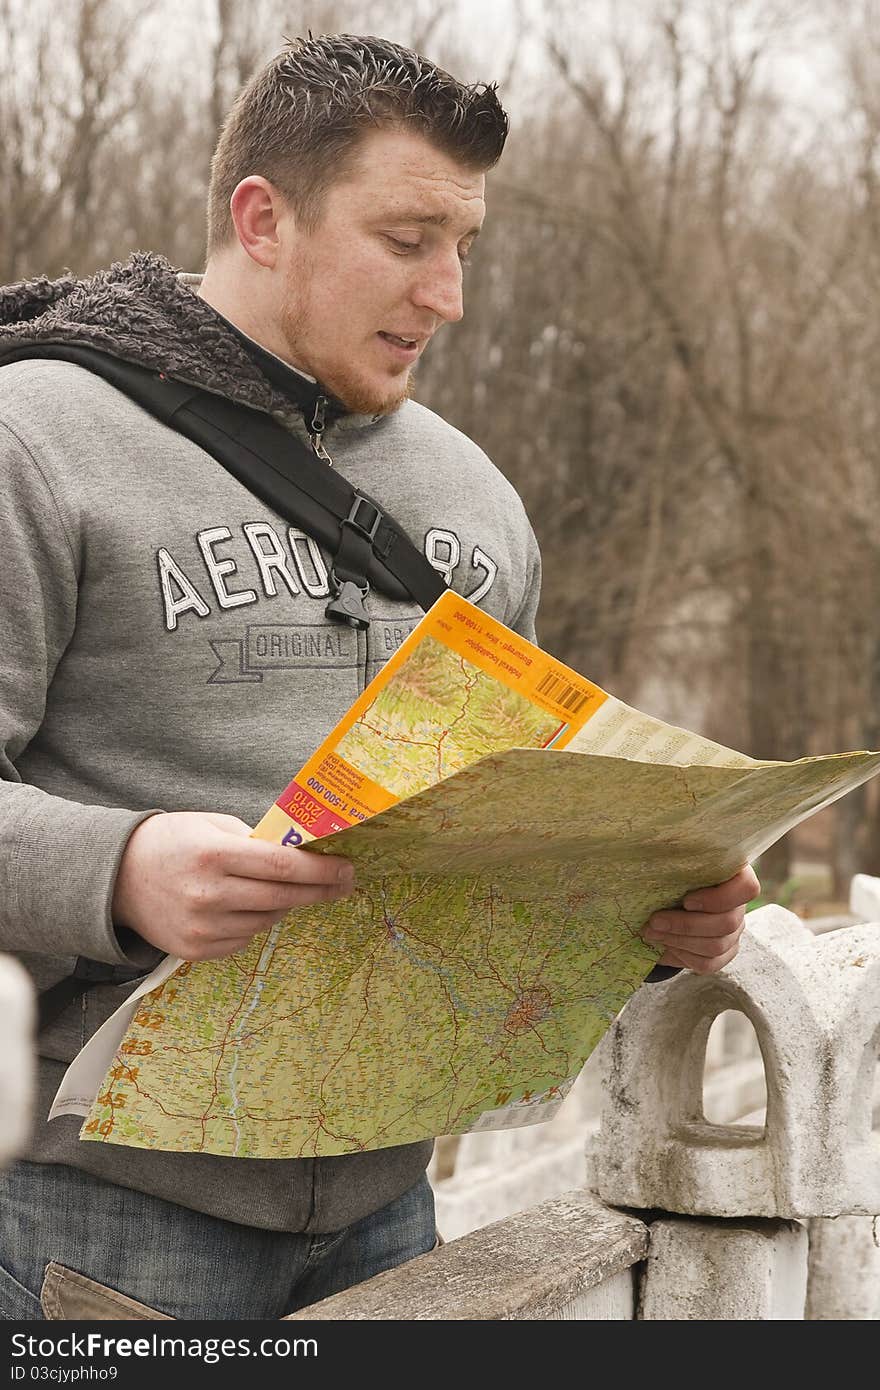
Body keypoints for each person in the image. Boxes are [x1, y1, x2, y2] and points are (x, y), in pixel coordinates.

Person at [0, 33, 757, 1320]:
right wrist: (121, 868)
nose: (449, 293)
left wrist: (644, 918)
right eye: (409, 239)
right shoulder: (35, 441)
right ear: (264, 219)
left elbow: (498, 843)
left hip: (395, 1207)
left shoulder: (479, 499)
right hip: (105, 1214)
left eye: (465, 246)